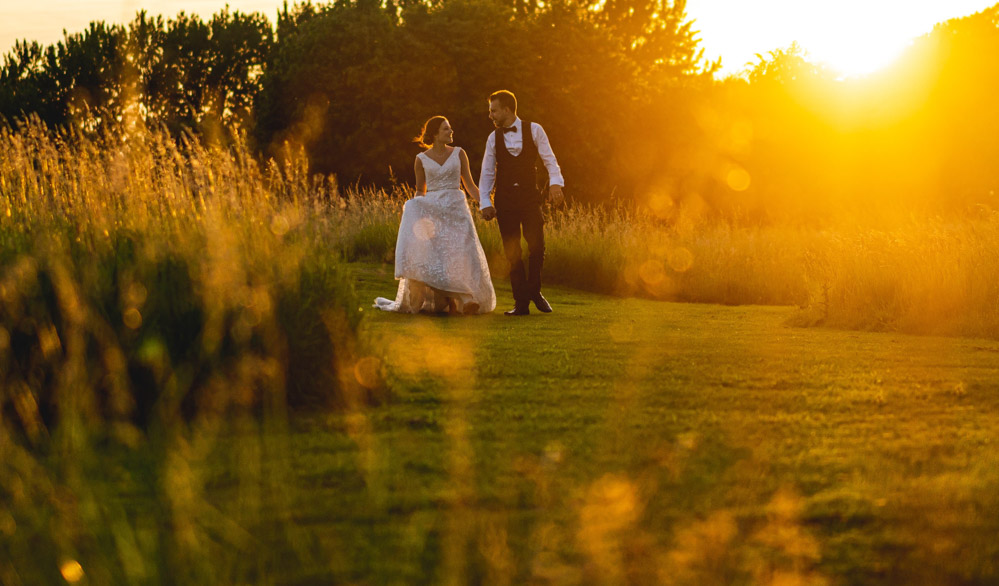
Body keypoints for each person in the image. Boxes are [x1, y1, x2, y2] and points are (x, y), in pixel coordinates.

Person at [374, 116, 496, 314]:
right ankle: (456, 300)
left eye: (450, 128)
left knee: (463, 252)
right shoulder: (420, 159)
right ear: (435, 134)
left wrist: (485, 203)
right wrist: (414, 212)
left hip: (456, 209)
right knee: (441, 256)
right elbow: (420, 192)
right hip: (434, 212)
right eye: (446, 129)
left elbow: (470, 185)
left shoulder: (459, 153)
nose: (451, 132)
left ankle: (467, 298)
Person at [478, 90, 564, 316]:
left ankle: (534, 291)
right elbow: (487, 172)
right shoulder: (492, 138)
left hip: (529, 198)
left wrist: (556, 184)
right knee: (512, 251)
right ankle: (521, 302)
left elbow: (550, 160)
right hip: (505, 200)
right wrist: (485, 201)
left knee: (537, 246)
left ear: (507, 109)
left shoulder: (535, 129)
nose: (491, 115)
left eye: (493, 110)